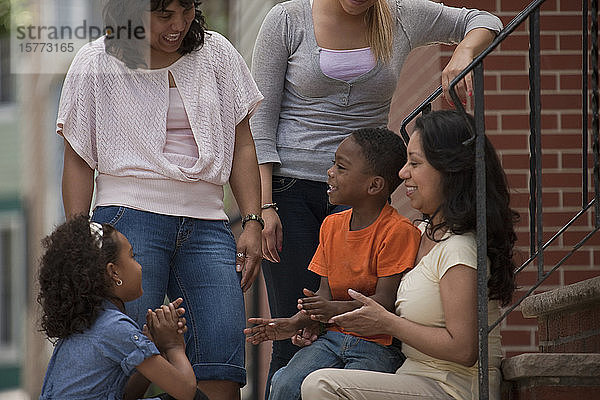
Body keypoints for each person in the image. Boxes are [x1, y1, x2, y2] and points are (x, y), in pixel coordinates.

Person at [250, 0, 504, 389]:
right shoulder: (287, 19)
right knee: (300, 334)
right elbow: (261, 123)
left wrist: (464, 51)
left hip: (365, 195)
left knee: (377, 324)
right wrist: (264, 206)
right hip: (290, 193)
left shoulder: (401, 15)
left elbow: (484, 19)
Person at [57, 1, 263, 398]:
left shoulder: (217, 53)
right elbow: (79, 161)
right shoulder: (94, 62)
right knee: (123, 369)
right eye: (164, 15)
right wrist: (82, 241)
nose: (179, 25)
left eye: (187, 11)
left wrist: (252, 219)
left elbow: (242, 144)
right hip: (127, 221)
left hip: (208, 223)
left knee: (222, 365)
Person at [299, 110, 519, 400]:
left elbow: (464, 350)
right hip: (412, 377)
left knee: (322, 385)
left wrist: (386, 322)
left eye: (415, 163)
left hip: (453, 387)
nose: (403, 174)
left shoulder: (459, 249)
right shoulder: (424, 233)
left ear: (450, 172)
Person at [245, 128, 421, 399]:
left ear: (374, 186)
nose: (330, 172)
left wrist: (331, 309)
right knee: (284, 384)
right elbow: (324, 294)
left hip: (378, 347)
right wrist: (295, 322)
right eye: (333, 164)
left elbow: (385, 302)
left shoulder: (398, 230)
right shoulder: (331, 226)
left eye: (341, 167)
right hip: (332, 340)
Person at [38, 215, 210, 400]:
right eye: (132, 256)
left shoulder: (86, 324)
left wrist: (153, 346)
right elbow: (185, 390)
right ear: (114, 272)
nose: (140, 266)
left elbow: (125, 395)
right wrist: (173, 345)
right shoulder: (114, 327)